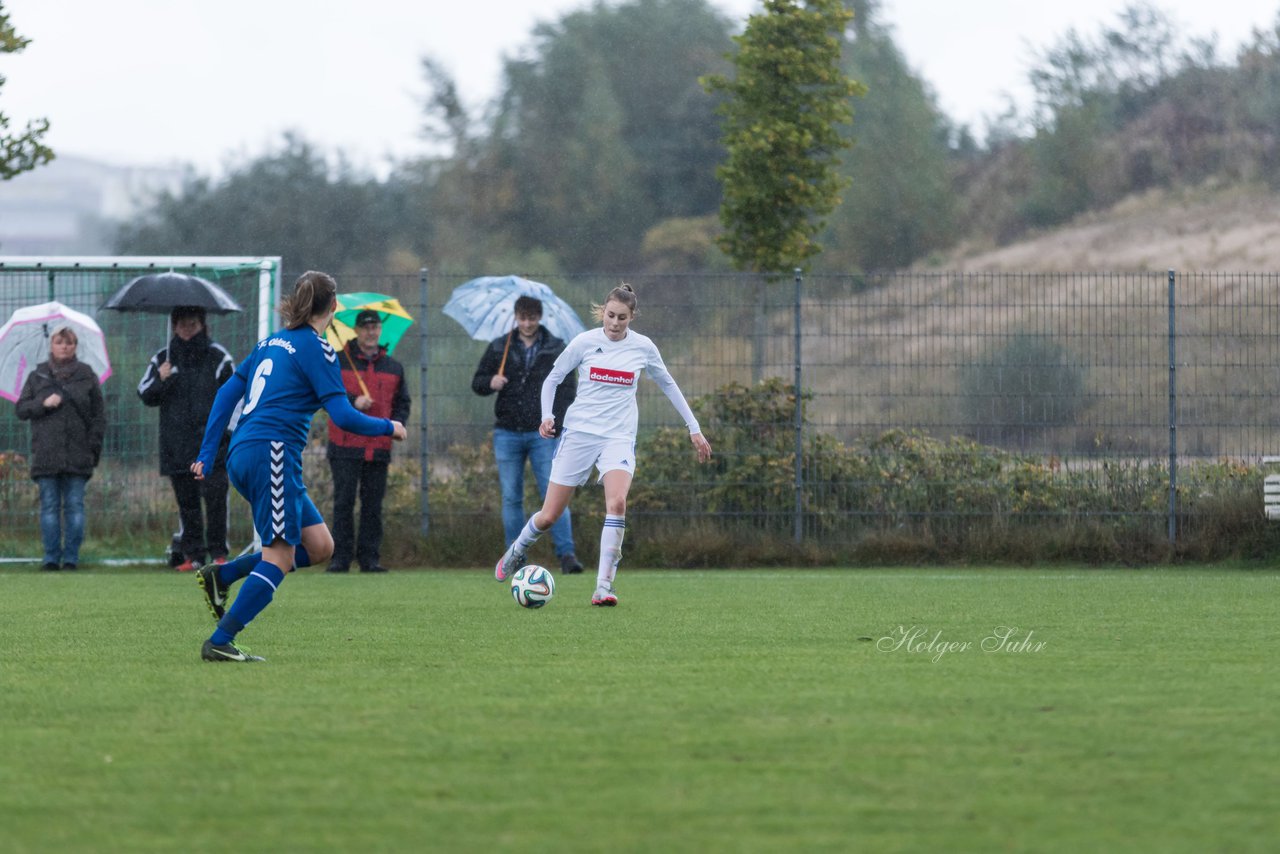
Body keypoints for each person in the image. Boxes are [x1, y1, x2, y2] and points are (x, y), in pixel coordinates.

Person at [190, 271, 407, 662]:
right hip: (271, 452)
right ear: (334, 307)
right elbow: (342, 416)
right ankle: (221, 640)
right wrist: (388, 427)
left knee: (320, 546)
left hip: (244, 451)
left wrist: (207, 453)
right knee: (280, 557)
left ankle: (222, 576)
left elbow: (226, 394)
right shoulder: (318, 348)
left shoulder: (270, 342)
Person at [494, 284, 712, 606]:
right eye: (610, 315)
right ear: (603, 313)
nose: (614, 323)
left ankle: (603, 587)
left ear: (632, 317)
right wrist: (546, 416)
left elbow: (668, 383)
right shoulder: (585, 342)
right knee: (550, 515)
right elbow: (552, 379)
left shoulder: (643, 347)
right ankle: (517, 549)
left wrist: (693, 428)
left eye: (622, 318)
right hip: (579, 433)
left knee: (618, 503)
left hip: (619, 437)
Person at [471, 295, 583, 575]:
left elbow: (568, 387)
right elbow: (478, 382)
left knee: (553, 493)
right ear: (516, 317)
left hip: (543, 434)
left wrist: (554, 420)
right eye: (522, 318)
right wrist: (490, 382)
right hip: (507, 433)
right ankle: (515, 555)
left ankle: (567, 554)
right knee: (511, 497)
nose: (527, 323)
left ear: (539, 317)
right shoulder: (499, 347)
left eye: (532, 318)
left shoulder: (557, 347)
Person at [137, 306, 235, 571]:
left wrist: (226, 436)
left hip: (212, 447)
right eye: (182, 324)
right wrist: (161, 378)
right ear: (174, 326)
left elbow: (236, 398)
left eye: (192, 323)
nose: (187, 328)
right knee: (187, 505)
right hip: (176, 447)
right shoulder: (162, 359)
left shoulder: (219, 358)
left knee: (215, 502)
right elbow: (146, 394)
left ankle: (218, 554)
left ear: (202, 324)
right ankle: (193, 556)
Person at [326, 308, 411, 573]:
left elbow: (403, 403)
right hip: (344, 444)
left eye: (375, 327)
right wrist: (353, 401)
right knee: (343, 503)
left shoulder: (394, 367)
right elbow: (327, 397)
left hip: (379, 446)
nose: (371, 332)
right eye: (366, 327)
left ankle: (369, 558)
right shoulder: (337, 362)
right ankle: (340, 558)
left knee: (373, 505)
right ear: (357, 331)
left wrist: (397, 426)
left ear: (380, 331)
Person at [15, 326, 107, 571]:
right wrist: (43, 403)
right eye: (59, 342)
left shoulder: (87, 375)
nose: (64, 346)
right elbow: (22, 409)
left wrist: (93, 449)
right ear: (51, 345)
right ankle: (51, 558)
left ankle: (71, 559)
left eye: (69, 342)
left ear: (76, 346)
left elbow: (99, 416)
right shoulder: (38, 376)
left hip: (79, 455)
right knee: (49, 507)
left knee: (75, 506)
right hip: (46, 455)